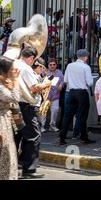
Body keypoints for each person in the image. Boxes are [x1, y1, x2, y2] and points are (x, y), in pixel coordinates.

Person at [15, 46, 51, 179]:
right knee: (33, 135)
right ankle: (29, 169)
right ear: (30, 58)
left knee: (18, 135)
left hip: (17, 105)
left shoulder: (15, 63)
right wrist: (46, 84)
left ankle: (15, 164)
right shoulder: (25, 68)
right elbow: (34, 87)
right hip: (27, 106)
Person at [59, 49, 95, 145]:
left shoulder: (70, 66)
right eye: (87, 56)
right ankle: (83, 137)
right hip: (82, 92)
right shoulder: (86, 67)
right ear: (84, 57)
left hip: (71, 92)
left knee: (67, 115)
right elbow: (90, 82)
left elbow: (65, 80)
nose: (87, 58)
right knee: (82, 115)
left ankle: (62, 137)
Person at [0, 56, 21, 180]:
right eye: (13, 69)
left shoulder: (4, 83)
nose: (15, 71)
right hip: (1, 122)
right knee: (5, 153)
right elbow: (15, 98)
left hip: (6, 120)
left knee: (10, 153)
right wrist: (16, 80)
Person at [46, 58, 64, 132]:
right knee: (43, 112)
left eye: (54, 64)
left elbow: (63, 81)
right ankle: (42, 126)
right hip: (46, 96)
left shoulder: (59, 73)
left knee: (55, 110)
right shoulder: (45, 72)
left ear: (56, 65)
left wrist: (61, 85)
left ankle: (52, 125)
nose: (52, 66)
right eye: (50, 65)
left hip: (56, 95)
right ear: (48, 65)